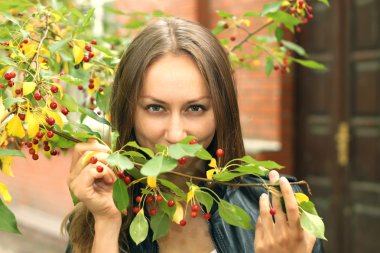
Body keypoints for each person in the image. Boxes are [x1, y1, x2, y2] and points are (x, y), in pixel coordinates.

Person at [63, 17, 324, 253]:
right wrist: (107, 224)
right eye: (155, 108)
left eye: (196, 108)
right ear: (128, 112)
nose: (176, 135)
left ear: (222, 111)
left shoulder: (277, 212)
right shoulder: (96, 217)